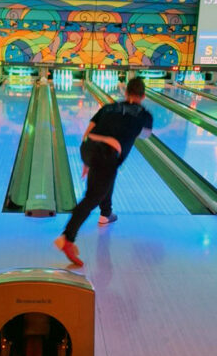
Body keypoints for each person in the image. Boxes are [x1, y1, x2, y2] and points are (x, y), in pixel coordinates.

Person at [54, 76, 153, 266]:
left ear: (125, 92)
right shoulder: (144, 115)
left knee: (106, 176)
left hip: (89, 148)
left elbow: (89, 132)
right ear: (143, 95)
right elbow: (145, 135)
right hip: (107, 152)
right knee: (92, 196)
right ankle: (67, 238)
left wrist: (87, 161)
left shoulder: (107, 107)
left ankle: (106, 213)